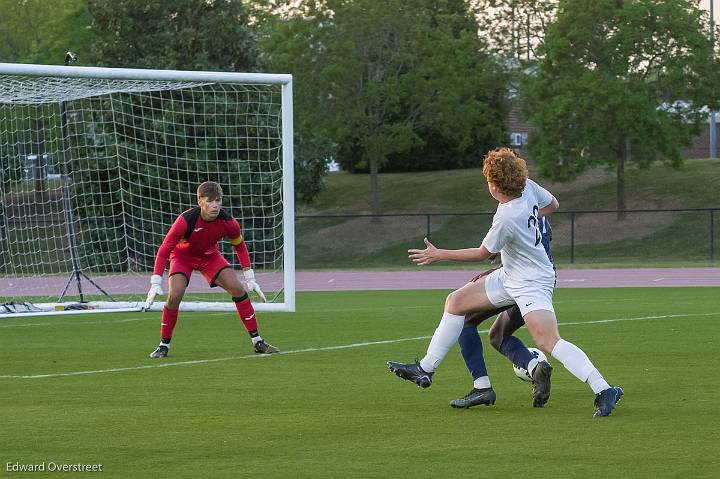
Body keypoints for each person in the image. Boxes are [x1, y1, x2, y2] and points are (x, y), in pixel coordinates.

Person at [387, 148, 623, 417]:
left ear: (494, 185)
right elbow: (553, 205)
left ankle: (604, 389)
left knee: (548, 341)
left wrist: (439, 254)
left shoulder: (506, 217)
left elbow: (481, 254)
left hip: (532, 281)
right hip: (511, 274)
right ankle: (426, 368)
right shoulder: (528, 188)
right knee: (456, 302)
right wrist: (521, 238)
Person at [145, 181, 279, 358]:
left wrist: (250, 277)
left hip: (209, 257)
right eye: (210, 201)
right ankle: (163, 345)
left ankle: (258, 342)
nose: (215, 205)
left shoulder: (228, 222)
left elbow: (240, 246)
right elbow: (164, 250)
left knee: (238, 289)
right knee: (175, 294)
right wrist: (155, 282)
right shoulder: (185, 220)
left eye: (218, 200)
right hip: (183, 257)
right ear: (199, 200)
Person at [451, 216, 553, 409]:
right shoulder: (539, 216)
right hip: (541, 284)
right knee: (498, 335)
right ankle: (535, 368)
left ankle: (481, 387)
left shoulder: (514, 214)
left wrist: (497, 271)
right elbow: (536, 251)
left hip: (520, 284)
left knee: (465, 320)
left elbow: (521, 254)